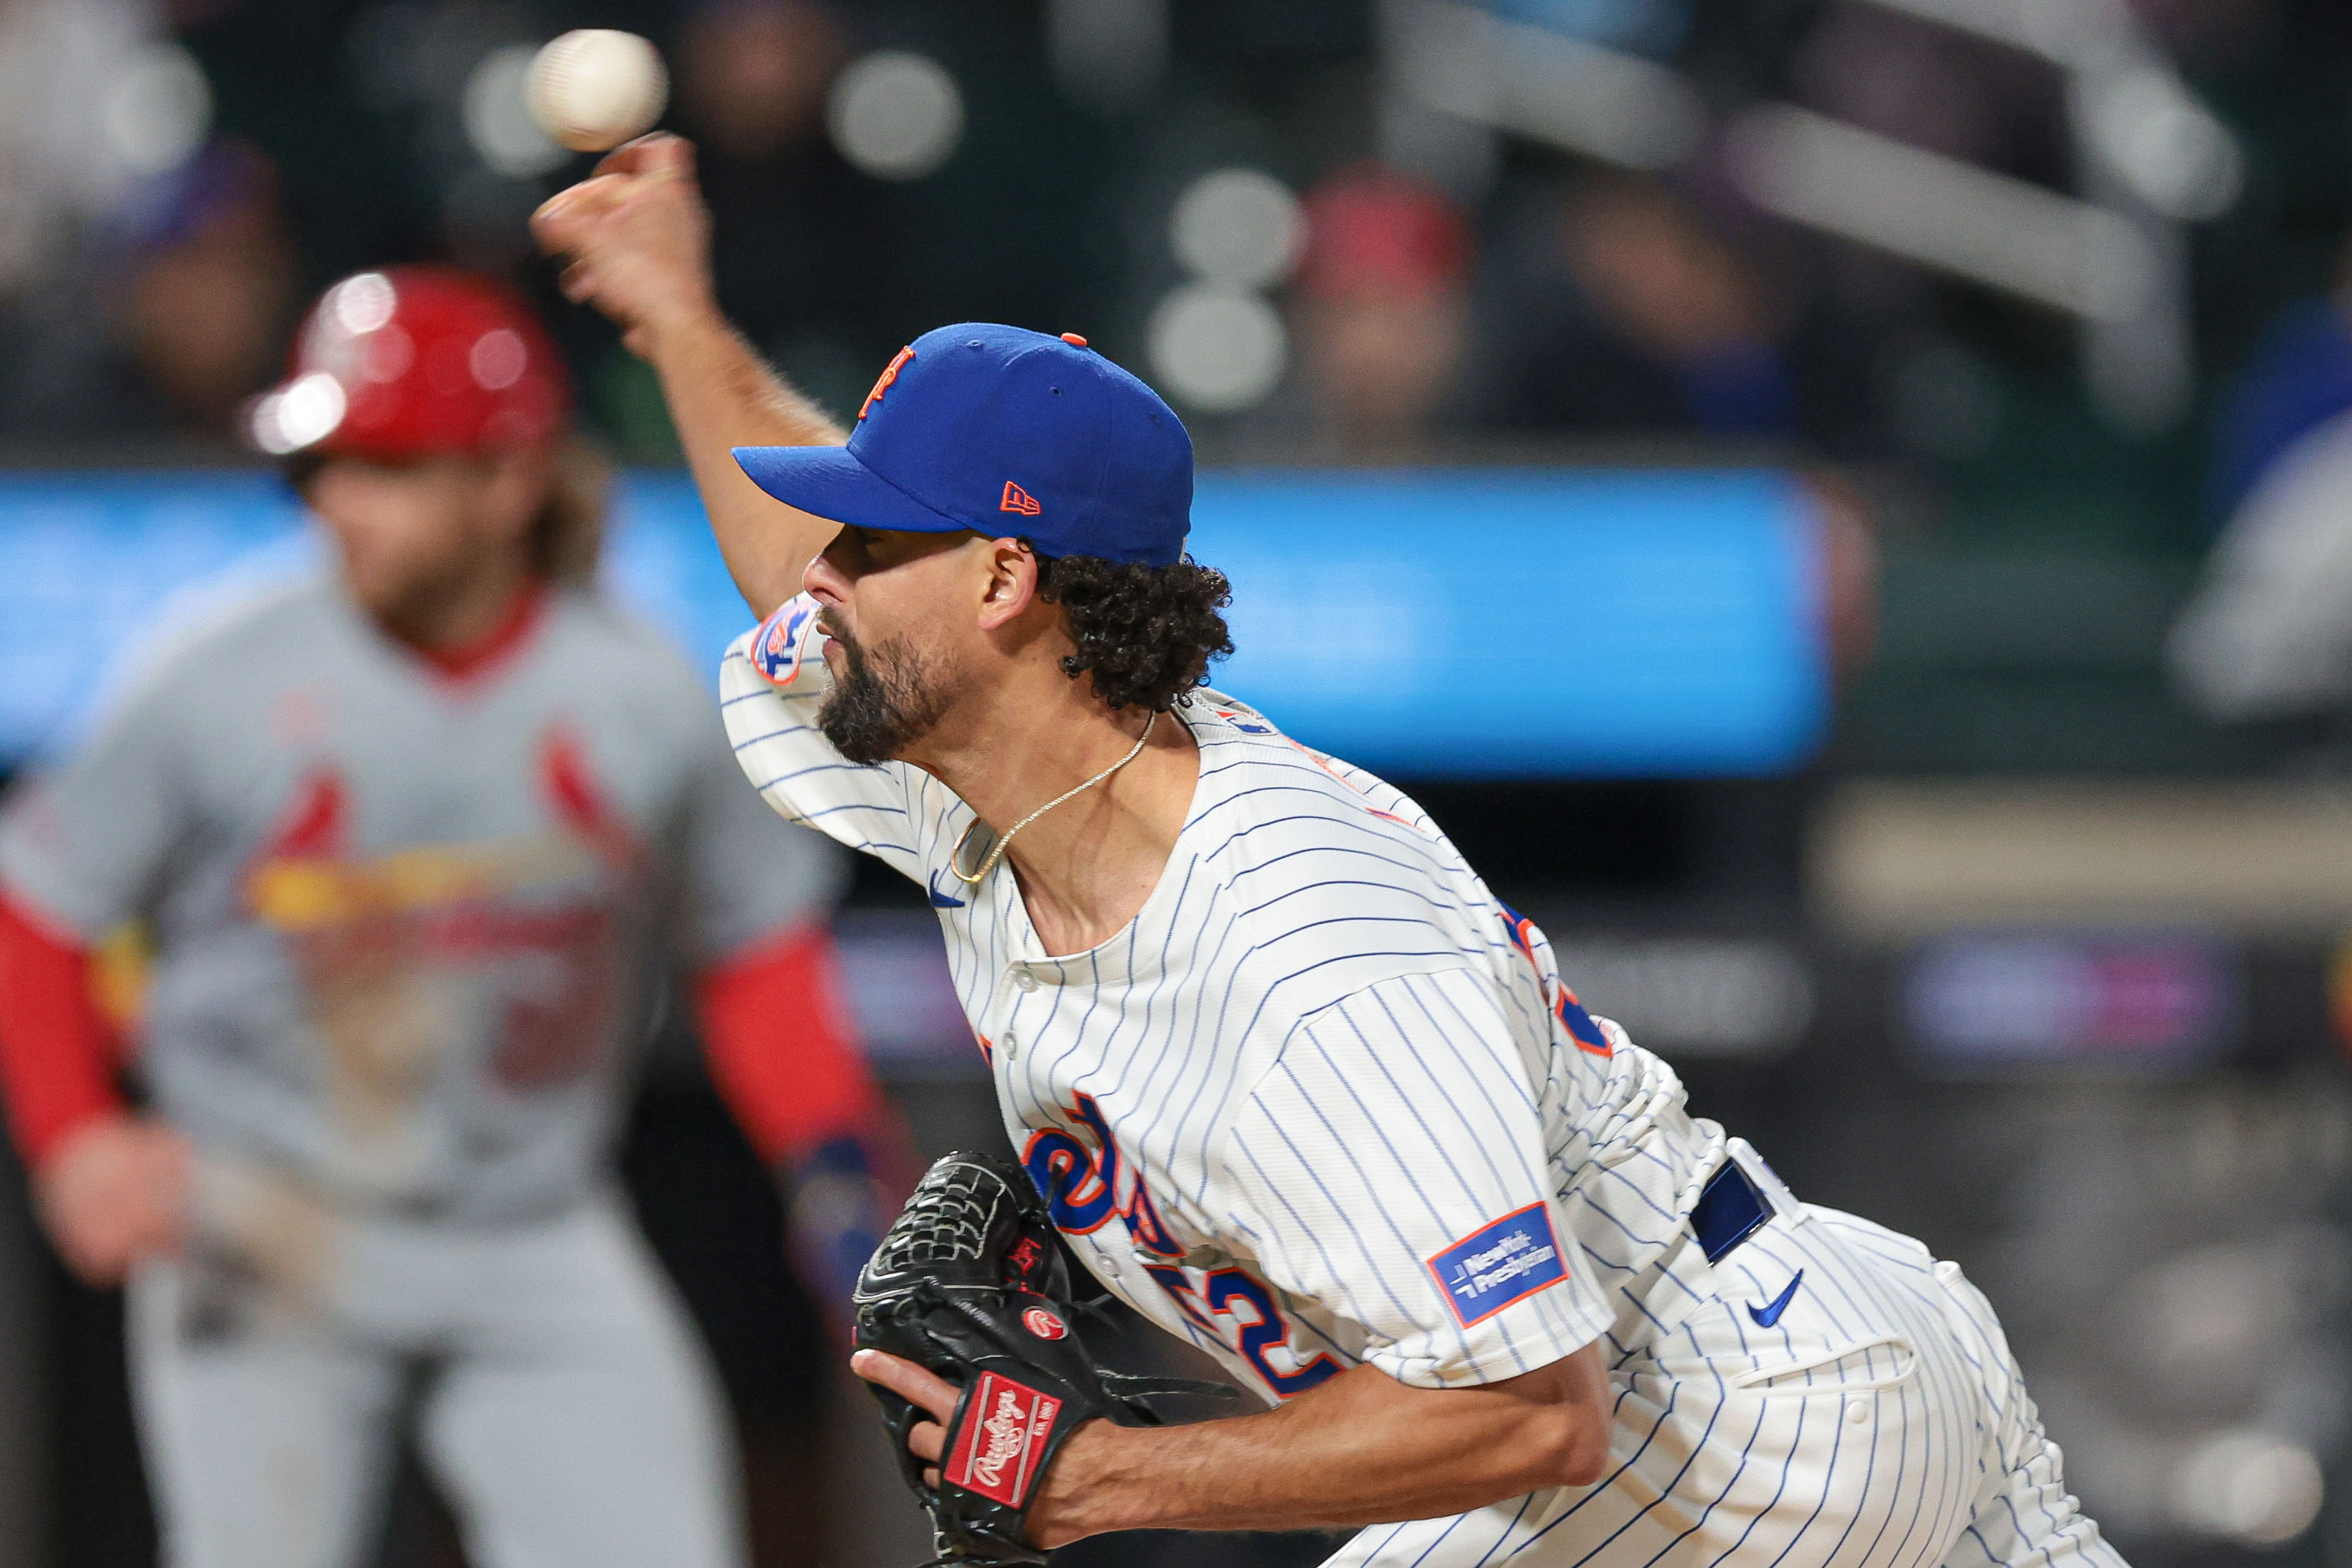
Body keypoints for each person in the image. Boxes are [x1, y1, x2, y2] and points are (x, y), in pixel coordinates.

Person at [533, 134, 2124, 1567]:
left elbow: (1530, 1414)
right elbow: (781, 578)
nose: (822, 581)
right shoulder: (986, 770)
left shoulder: (1305, 956)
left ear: (1007, 579)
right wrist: (678, 315)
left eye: (869, 542)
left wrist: (1096, 1481)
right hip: (1780, 1368)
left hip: (1738, 1436)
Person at [0, 264, 900, 1568]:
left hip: (531, 1224)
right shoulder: (214, 674)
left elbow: (754, 961)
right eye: (325, 469)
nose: (336, 506)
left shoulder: (639, 693)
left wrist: (843, 1189)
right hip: (267, 1226)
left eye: (386, 466)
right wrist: (76, 1133)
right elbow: (39, 907)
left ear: (509, 479)